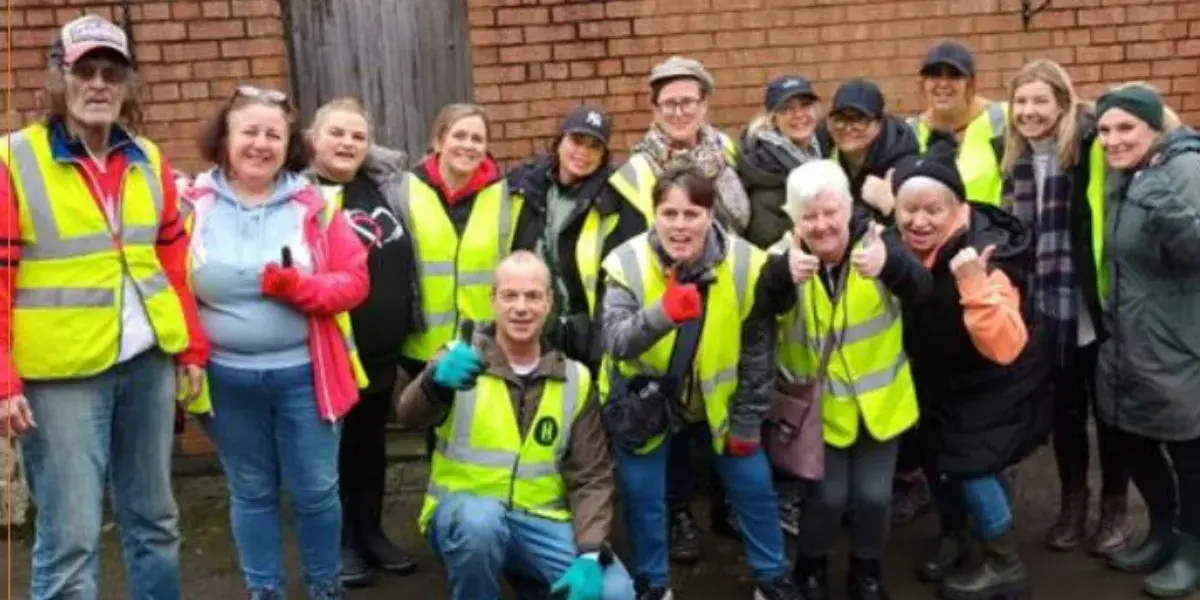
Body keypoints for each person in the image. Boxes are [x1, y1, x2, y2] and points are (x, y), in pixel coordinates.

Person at [0, 15, 208, 599]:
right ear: (58, 78)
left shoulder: (146, 156)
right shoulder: (15, 160)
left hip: (145, 364)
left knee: (157, 523)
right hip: (60, 378)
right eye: (84, 70)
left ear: (127, 84)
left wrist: (190, 348)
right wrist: (4, 378)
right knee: (70, 538)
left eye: (111, 73)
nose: (98, 84)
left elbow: (171, 261)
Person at [183, 85, 370, 599]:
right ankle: (265, 591)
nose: (261, 144)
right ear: (225, 138)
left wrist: (300, 288)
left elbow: (354, 283)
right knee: (251, 493)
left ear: (291, 145)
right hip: (226, 380)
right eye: (250, 132)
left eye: (274, 134)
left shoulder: (315, 206)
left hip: (306, 378)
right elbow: (172, 288)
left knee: (316, 492)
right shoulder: (190, 206)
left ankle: (324, 588)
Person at [599, 166, 801, 600]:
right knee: (643, 497)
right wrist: (663, 313)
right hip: (644, 403)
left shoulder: (748, 264)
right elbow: (615, 341)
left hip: (720, 404)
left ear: (711, 215)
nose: (679, 225)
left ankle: (772, 578)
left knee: (754, 485)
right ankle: (653, 583)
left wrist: (747, 422)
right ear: (653, 214)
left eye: (691, 213)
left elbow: (757, 351)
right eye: (668, 213)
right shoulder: (626, 263)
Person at [396, 251, 635, 600]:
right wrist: (434, 383)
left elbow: (592, 475)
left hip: (540, 520)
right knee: (481, 524)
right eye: (510, 295)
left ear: (549, 303)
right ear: (492, 300)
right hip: (464, 515)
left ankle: (534, 583)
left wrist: (588, 552)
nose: (521, 307)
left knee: (616, 592)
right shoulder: (458, 357)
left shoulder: (575, 378)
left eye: (533, 296)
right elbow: (409, 416)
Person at [759, 159, 930, 600]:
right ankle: (811, 566)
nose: (821, 225)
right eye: (809, 216)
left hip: (879, 405)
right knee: (828, 499)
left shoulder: (880, 244)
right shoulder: (782, 255)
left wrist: (891, 265)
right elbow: (760, 309)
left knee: (874, 498)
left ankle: (867, 571)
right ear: (793, 218)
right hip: (820, 411)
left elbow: (923, 290)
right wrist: (781, 277)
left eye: (829, 212)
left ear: (848, 208)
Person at [888, 147, 1052, 599]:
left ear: (958, 209)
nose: (920, 221)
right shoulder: (894, 245)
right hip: (940, 378)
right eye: (909, 210)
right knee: (938, 461)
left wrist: (973, 283)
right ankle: (956, 537)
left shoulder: (987, 256)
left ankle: (1005, 563)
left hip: (994, 384)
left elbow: (1004, 345)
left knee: (970, 466)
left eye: (932, 210)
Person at [608, 55, 746, 563]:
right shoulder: (636, 170)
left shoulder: (727, 152)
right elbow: (630, 244)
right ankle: (679, 511)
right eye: (669, 102)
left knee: (719, 401)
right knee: (673, 408)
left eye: (689, 100)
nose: (680, 110)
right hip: (665, 301)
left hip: (723, 291)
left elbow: (743, 222)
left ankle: (724, 503)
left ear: (705, 104)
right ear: (654, 108)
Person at [998, 60, 1131, 555]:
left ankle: (1115, 506)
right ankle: (1073, 503)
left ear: (1062, 102)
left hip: (1095, 304)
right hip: (1047, 310)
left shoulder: (1093, 147)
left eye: (1039, 100)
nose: (1029, 111)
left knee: (1111, 412)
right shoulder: (1012, 160)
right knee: (1066, 412)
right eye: (1021, 102)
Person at [305, 97, 419, 587]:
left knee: (371, 449)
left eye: (358, 135)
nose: (348, 143)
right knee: (332, 454)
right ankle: (340, 543)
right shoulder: (300, 193)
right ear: (313, 138)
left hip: (380, 350)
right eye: (337, 133)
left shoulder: (384, 186)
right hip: (331, 351)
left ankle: (370, 533)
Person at [1094, 83, 1200, 599]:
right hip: (1129, 343)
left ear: (1156, 128)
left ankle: (1193, 548)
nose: (1112, 140)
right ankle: (1161, 531)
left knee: (1189, 454)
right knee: (1133, 441)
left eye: (1125, 128)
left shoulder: (1185, 171)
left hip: (1180, 344)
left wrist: (1164, 202)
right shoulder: (1124, 176)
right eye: (1105, 131)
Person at [508, 105, 645, 368]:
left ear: (604, 156)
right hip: (530, 326)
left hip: (587, 335)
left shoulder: (614, 200)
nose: (583, 152)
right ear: (559, 141)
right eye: (576, 140)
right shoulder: (523, 187)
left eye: (594, 146)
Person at [394, 103, 516, 380]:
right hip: (421, 349)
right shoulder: (405, 189)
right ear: (439, 141)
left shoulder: (506, 195)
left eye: (477, 139)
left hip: (484, 345)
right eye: (459, 136)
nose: (468, 145)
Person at [906, 40, 1008, 206]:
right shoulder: (910, 133)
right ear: (922, 84)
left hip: (996, 228)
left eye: (954, 75)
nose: (943, 84)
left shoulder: (1002, 118)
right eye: (934, 75)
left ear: (971, 83)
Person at [736, 74, 828, 250]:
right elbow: (767, 242)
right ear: (773, 119)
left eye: (805, 105)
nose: (799, 115)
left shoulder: (821, 151)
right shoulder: (766, 169)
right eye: (787, 109)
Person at [825, 78, 921, 224]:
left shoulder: (904, 165)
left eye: (859, 120)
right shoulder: (822, 151)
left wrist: (891, 208)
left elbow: (924, 231)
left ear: (879, 123)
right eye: (840, 119)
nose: (848, 128)